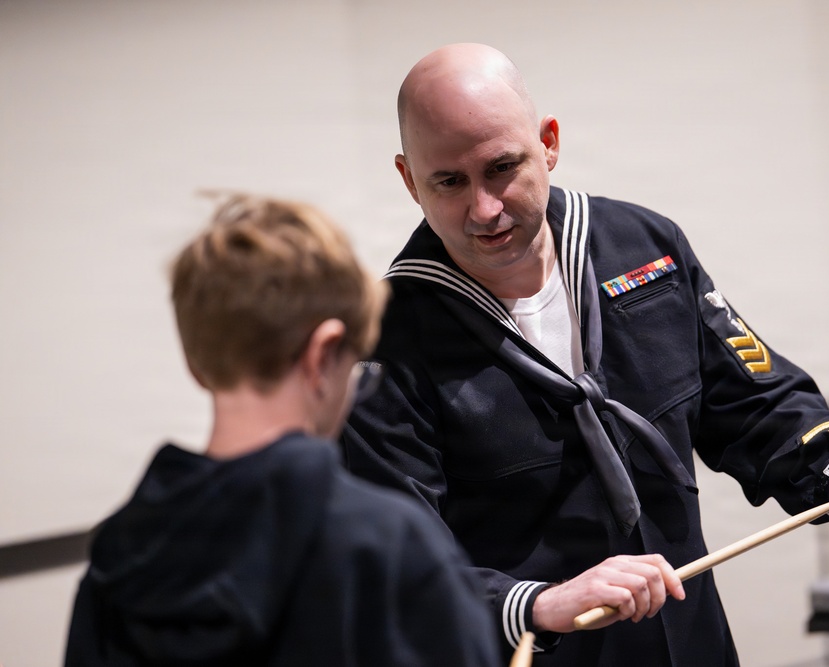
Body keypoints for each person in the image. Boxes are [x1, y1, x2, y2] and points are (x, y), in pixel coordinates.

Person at [341, 43, 829, 666]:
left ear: (549, 142)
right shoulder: (381, 342)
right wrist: (535, 604)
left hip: (693, 644)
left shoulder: (645, 248)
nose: (484, 209)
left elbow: (749, 397)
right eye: (448, 181)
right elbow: (391, 557)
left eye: (502, 167)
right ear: (406, 179)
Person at [64, 194, 501, 667]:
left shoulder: (120, 552)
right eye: (357, 371)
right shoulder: (388, 549)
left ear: (197, 365)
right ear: (323, 354)